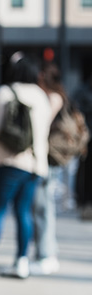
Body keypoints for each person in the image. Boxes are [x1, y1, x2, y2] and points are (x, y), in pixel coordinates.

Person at [0, 52, 54, 279]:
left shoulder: (6, 92)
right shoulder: (41, 95)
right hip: (36, 164)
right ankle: (22, 262)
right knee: (23, 213)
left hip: (10, 161)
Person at [31, 62, 67, 275]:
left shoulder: (53, 98)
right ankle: (48, 250)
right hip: (48, 158)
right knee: (43, 205)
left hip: (48, 159)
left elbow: (41, 125)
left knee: (43, 205)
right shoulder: (56, 96)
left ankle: (46, 254)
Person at [73, 77, 92, 220]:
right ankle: (84, 203)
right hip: (86, 140)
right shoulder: (83, 92)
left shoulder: (82, 92)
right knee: (85, 173)